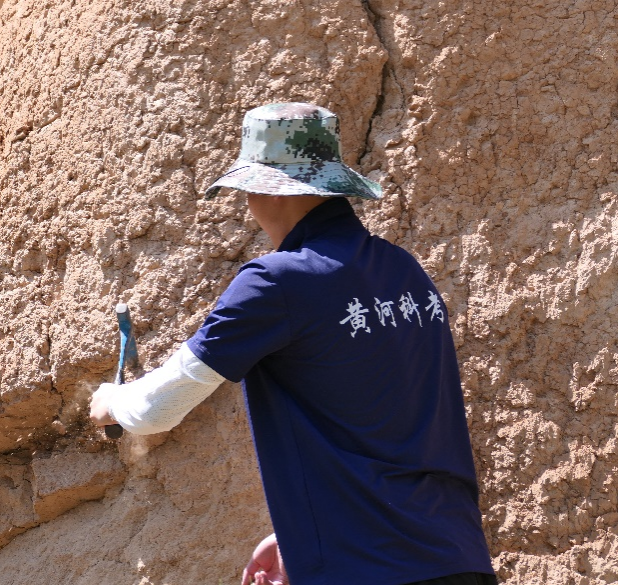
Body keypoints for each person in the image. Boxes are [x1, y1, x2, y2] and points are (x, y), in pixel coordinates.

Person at [90, 103, 496, 585]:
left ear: (268, 191)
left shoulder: (276, 282)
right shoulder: (404, 270)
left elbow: (161, 406)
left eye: (247, 190)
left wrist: (111, 402)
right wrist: (303, 535)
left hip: (367, 570)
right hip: (459, 558)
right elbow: (384, 429)